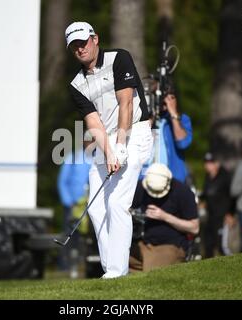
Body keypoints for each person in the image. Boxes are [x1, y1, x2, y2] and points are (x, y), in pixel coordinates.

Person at [66, 21, 153, 278]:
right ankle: (111, 271)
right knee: (95, 208)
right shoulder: (75, 84)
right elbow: (93, 122)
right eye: (74, 46)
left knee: (116, 202)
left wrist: (121, 146)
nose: (80, 48)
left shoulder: (119, 58)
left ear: (95, 39)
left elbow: (125, 103)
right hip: (106, 140)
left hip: (134, 132)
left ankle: (116, 271)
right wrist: (109, 151)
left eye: (83, 42)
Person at [129, 163, 199, 272]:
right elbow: (125, 207)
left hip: (169, 245)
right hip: (142, 241)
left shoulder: (183, 192)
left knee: (151, 273)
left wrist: (164, 216)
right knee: (117, 256)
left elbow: (194, 228)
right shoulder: (141, 187)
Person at [141, 92, 193, 183]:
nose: (164, 103)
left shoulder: (182, 119)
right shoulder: (143, 119)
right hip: (145, 178)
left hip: (172, 180)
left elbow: (183, 143)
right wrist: (150, 115)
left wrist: (173, 113)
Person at [57, 148, 91, 277]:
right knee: (69, 236)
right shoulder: (73, 157)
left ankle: (86, 264)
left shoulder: (99, 158)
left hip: (90, 206)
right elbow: (62, 181)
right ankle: (65, 266)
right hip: (72, 205)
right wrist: (68, 201)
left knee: (89, 237)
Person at [199, 152, 234, 258]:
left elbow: (232, 196)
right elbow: (206, 194)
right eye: (206, 163)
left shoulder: (225, 177)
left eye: (210, 163)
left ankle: (234, 267)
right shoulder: (208, 178)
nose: (207, 165)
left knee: (222, 247)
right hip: (210, 216)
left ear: (216, 164)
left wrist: (230, 214)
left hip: (222, 217)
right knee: (208, 246)